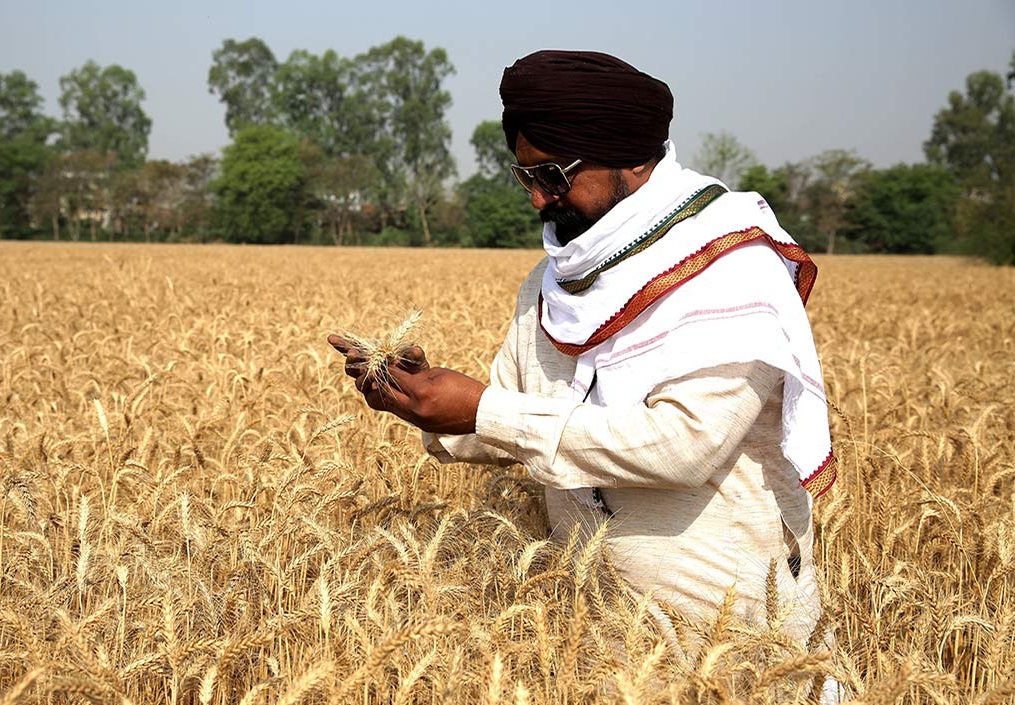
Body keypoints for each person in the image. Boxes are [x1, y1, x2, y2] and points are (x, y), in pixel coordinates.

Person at [329, 50, 839, 698]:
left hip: (732, 635)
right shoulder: (555, 284)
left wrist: (485, 409)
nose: (539, 196)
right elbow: (517, 416)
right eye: (524, 175)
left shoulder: (732, 269)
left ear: (632, 156)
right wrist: (421, 401)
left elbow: (684, 445)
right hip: (591, 634)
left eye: (552, 173)